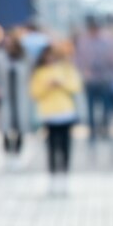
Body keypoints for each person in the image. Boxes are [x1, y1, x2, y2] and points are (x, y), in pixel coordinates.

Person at [30, 43, 82, 194]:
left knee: (66, 146)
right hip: (49, 114)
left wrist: (61, 83)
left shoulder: (66, 69)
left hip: (66, 113)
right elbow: (34, 92)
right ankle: (52, 176)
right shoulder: (40, 72)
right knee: (52, 147)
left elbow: (76, 86)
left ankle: (64, 176)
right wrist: (47, 86)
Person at [75, 16, 113, 143]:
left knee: (106, 107)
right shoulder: (83, 41)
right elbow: (79, 60)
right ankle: (92, 133)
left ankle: (105, 129)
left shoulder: (108, 41)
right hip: (90, 80)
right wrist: (84, 73)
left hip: (105, 80)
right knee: (90, 108)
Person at [0, 28, 33, 167]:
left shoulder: (25, 57)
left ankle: (18, 153)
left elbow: (30, 75)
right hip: (5, 95)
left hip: (21, 95)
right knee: (5, 126)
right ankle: (7, 153)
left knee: (20, 125)